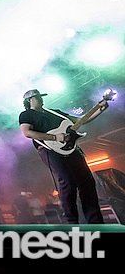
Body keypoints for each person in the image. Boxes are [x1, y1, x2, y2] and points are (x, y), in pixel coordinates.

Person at [19, 89, 109, 224]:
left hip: (71, 148)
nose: (41, 99)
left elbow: (80, 120)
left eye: (41, 96)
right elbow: (27, 132)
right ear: (29, 100)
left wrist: (100, 109)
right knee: (67, 181)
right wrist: (55, 137)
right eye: (38, 97)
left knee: (87, 181)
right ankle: (71, 222)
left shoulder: (54, 112)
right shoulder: (26, 115)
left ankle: (95, 221)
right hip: (49, 149)